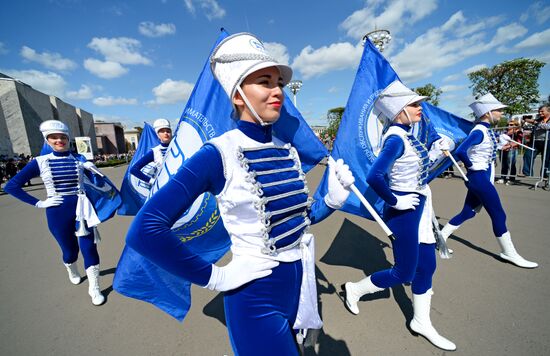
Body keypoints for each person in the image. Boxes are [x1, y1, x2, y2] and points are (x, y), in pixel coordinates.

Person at [125, 33, 354, 356]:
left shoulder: (286, 150)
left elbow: (297, 223)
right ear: (237, 95)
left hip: (299, 286)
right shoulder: (218, 153)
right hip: (254, 298)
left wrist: (330, 200)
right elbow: (144, 230)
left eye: (278, 83)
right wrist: (215, 276)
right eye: (264, 81)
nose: (277, 91)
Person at [342, 81, 456, 351]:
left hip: (419, 205)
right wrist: (396, 200)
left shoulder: (407, 135)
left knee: (427, 266)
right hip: (404, 210)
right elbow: (374, 176)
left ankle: (421, 321)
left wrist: (436, 152)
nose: (420, 108)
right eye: (414, 105)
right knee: (404, 272)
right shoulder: (394, 138)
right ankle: (355, 289)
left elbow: (414, 169)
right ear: (398, 110)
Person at [4, 120, 107, 305]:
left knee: (89, 247)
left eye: (62, 137)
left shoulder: (79, 159)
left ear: (68, 139)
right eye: (54, 137)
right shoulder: (40, 162)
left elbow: (99, 185)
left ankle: (94, 288)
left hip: (82, 210)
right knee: (70, 251)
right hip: (57, 212)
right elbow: (12, 186)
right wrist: (39, 203)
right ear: (47, 140)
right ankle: (71, 268)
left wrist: (94, 171)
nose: (59, 140)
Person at [440, 93, 538, 268]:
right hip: (479, 177)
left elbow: (485, 152)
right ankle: (509, 253)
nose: (501, 114)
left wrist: (501, 144)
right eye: (498, 111)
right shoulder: (479, 131)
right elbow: (462, 151)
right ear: (488, 112)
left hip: (482, 176)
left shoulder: (484, 130)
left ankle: (441, 237)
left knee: (468, 212)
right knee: (499, 214)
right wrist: (471, 168)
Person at [129, 119, 172, 185]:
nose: (166, 133)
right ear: (158, 135)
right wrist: (152, 181)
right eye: (162, 131)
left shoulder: (179, 146)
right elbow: (134, 169)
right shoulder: (155, 151)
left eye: (168, 131)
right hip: (166, 186)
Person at [497, 119, 522, 185]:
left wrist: (508, 146)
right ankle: (503, 178)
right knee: (503, 164)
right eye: (508, 124)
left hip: (512, 150)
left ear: (516, 125)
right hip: (503, 150)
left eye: (511, 125)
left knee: (511, 165)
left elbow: (519, 142)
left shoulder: (518, 132)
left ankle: (512, 179)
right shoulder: (504, 132)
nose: (509, 126)